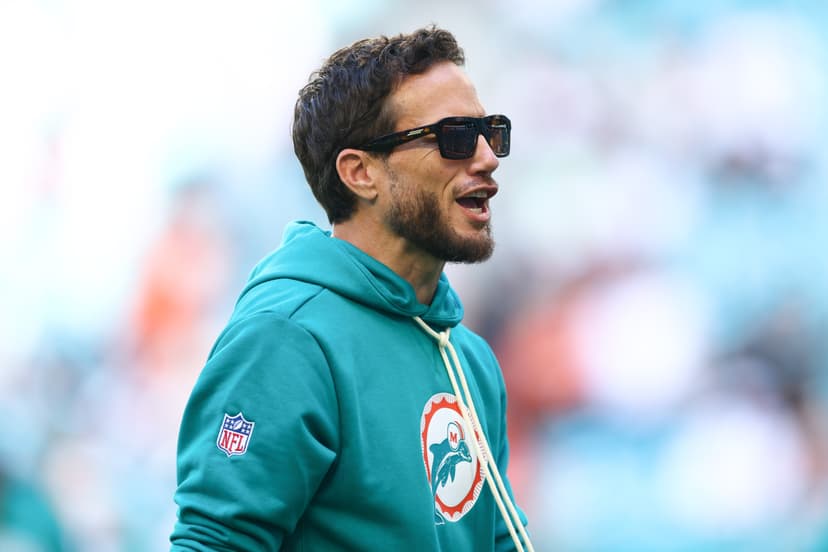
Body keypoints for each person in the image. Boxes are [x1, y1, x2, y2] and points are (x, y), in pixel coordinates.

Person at [170, 26, 534, 551]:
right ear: (360, 172)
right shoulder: (286, 339)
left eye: (490, 132)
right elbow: (215, 541)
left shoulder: (470, 358)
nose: (487, 158)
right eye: (454, 136)